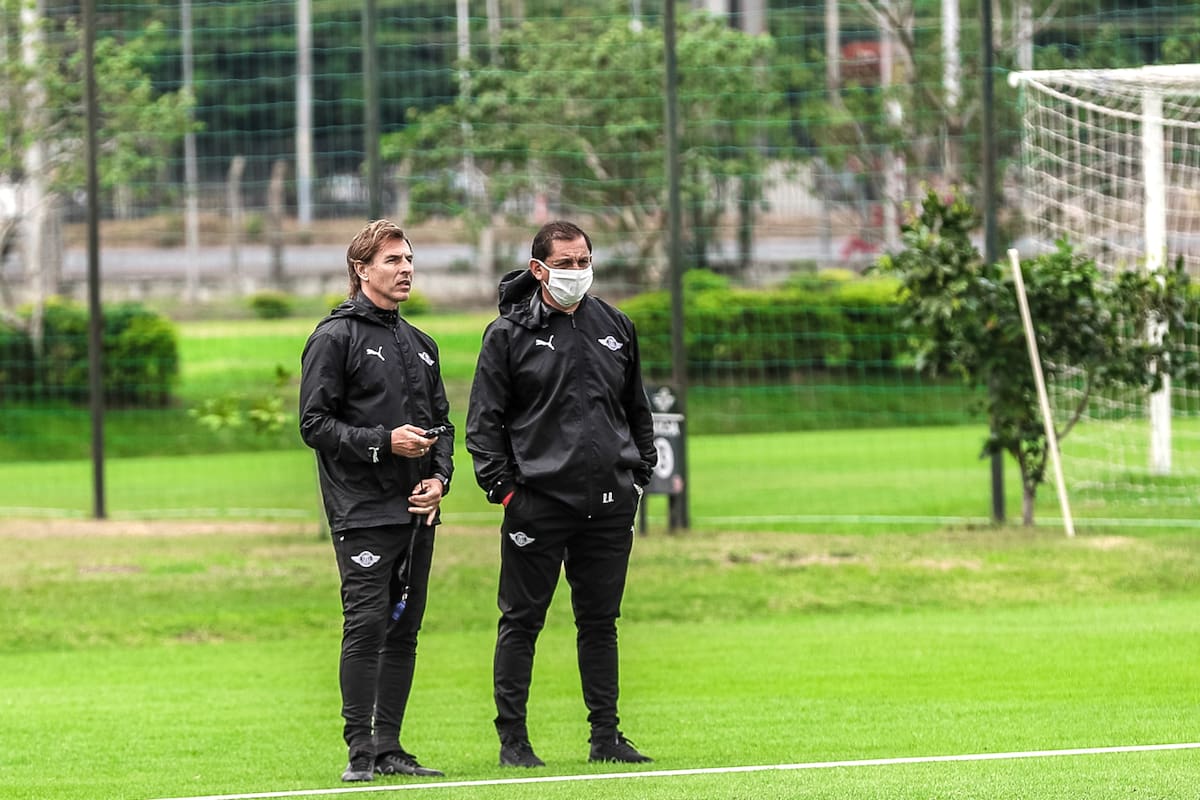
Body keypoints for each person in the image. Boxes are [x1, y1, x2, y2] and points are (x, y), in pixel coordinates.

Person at [466, 220, 657, 768]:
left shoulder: (615, 325)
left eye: (583, 261)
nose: (577, 272)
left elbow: (635, 408)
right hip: (537, 504)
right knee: (522, 621)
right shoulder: (507, 334)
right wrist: (506, 493)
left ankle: (606, 738)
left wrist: (640, 472)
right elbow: (484, 424)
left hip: (610, 504)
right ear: (539, 269)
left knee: (600, 622)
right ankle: (515, 743)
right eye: (566, 263)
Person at [299, 219, 452, 783]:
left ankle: (390, 748)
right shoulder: (333, 339)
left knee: (405, 629)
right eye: (392, 260)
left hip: (417, 513)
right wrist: (383, 444)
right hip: (362, 512)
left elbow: (443, 427)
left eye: (409, 259)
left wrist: (440, 479)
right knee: (366, 626)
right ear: (361, 269)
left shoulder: (421, 343)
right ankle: (358, 752)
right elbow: (314, 425)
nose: (405, 269)